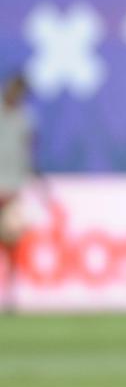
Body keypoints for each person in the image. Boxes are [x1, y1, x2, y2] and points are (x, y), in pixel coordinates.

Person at [0, 74, 36, 314]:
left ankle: (10, 295)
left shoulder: (25, 119)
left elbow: (28, 153)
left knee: (11, 243)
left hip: (12, 189)